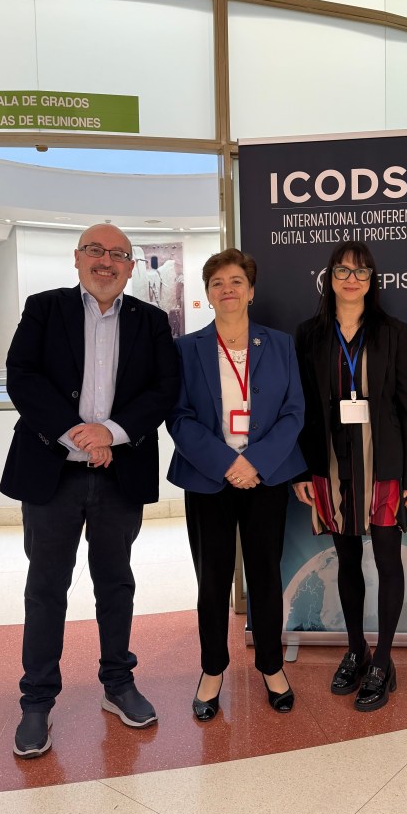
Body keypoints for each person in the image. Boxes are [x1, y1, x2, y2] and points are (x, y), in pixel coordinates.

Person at [0, 223, 179, 757]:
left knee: (115, 583)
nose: (106, 262)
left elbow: (164, 390)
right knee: (46, 588)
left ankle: (118, 684)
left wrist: (113, 433)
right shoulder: (44, 308)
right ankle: (37, 702)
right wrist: (79, 432)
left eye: (118, 254)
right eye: (95, 251)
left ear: (131, 267)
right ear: (77, 259)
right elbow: (22, 376)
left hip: (118, 476)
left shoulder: (151, 322)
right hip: (53, 474)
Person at [167, 249, 305, 720]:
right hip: (208, 477)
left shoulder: (280, 345)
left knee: (266, 575)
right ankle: (212, 669)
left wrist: (256, 464)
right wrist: (228, 463)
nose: (227, 289)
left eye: (236, 281)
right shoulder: (186, 349)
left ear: (251, 290)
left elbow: (294, 412)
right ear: (207, 295)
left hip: (265, 477)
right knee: (212, 579)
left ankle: (271, 666)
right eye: (217, 283)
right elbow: (179, 416)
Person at [293, 241, 407, 712]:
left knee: (388, 562)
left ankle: (383, 661)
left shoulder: (392, 331)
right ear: (329, 278)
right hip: (330, 465)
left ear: (373, 281)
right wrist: (301, 468)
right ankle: (356, 648)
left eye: (362, 272)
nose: (352, 279)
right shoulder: (309, 334)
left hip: (383, 463)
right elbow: (303, 407)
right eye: (344, 271)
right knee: (347, 562)